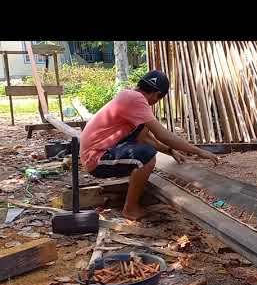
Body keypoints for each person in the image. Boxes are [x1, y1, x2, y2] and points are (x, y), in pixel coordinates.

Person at [80, 70, 219, 220]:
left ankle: (133, 196)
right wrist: (199, 151)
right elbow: (163, 135)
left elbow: (144, 137)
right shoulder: (136, 100)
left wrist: (170, 151)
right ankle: (130, 209)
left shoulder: (130, 97)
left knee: (144, 146)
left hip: (99, 152)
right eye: (158, 99)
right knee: (146, 157)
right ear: (156, 94)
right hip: (95, 158)